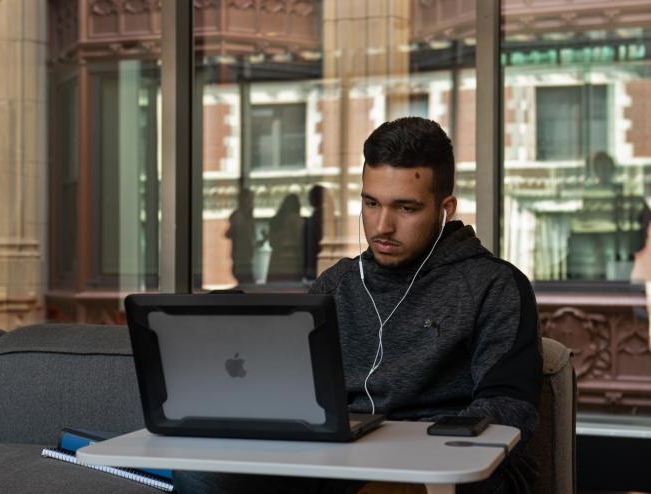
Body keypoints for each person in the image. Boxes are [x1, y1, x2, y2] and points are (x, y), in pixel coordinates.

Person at [174, 117, 543, 494]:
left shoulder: (494, 285)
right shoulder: (337, 284)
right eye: (371, 203)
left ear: (444, 208)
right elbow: (294, 388)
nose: (382, 225)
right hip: (336, 460)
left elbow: (510, 407)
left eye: (406, 208)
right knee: (200, 475)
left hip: (442, 465)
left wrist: (408, 448)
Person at [266, 193, 305, 282]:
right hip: (292, 261)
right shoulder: (296, 219)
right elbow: (300, 240)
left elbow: (271, 243)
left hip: (275, 261)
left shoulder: (275, 220)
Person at [225, 188, 256, 285]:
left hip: (247, 259)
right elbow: (228, 234)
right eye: (250, 200)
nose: (252, 202)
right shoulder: (238, 216)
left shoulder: (249, 218)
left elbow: (251, 241)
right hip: (240, 260)